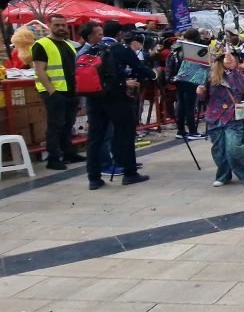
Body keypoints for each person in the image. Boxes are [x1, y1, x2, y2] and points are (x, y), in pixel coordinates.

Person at [85, 20, 156, 190]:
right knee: (124, 133)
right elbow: (140, 69)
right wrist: (153, 74)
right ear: (120, 34)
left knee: (95, 137)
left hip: (93, 97)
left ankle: (93, 178)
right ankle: (129, 172)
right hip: (116, 98)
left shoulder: (92, 49)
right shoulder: (120, 49)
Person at [32, 14, 83, 170]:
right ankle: (53, 158)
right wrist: (52, 92)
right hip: (54, 91)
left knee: (68, 124)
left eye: (63, 25)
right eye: (57, 25)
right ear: (49, 26)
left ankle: (68, 153)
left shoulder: (68, 45)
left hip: (70, 90)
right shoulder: (41, 44)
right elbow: (40, 71)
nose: (61, 28)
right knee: (55, 125)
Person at [197, 48, 244, 187]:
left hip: (234, 116)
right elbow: (203, 98)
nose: (228, 60)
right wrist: (200, 92)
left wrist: (237, 69)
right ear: (219, 60)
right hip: (214, 117)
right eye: (225, 57)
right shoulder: (209, 75)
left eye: (231, 57)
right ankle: (223, 175)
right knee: (219, 149)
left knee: (233, 146)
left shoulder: (240, 75)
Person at [171, 28, 204, 140]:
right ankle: (192, 131)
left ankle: (181, 130)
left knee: (181, 105)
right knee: (190, 106)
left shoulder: (176, 46)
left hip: (177, 78)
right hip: (190, 78)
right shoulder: (191, 48)